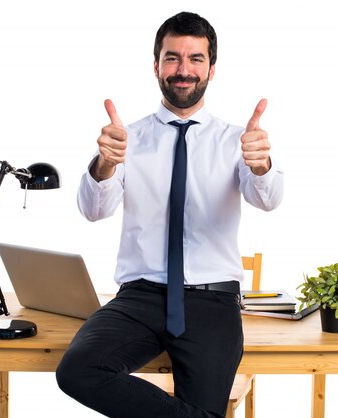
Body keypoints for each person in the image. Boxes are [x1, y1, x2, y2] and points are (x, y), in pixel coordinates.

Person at [56, 11, 283, 418]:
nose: (183, 70)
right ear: (157, 65)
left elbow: (267, 200)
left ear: (211, 69)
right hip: (138, 298)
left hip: (212, 303)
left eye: (195, 59)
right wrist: (104, 164)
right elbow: (93, 210)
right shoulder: (127, 139)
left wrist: (262, 166)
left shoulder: (237, 140)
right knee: (77, 370)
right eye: (172, 58)